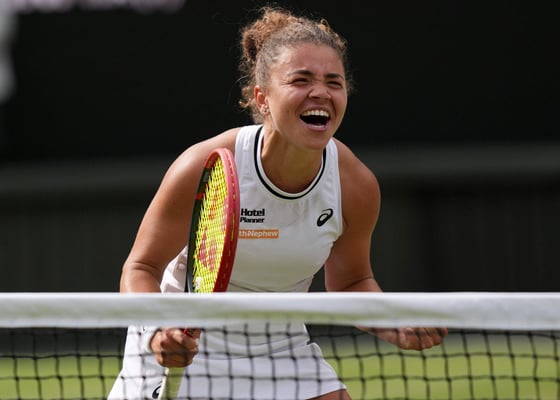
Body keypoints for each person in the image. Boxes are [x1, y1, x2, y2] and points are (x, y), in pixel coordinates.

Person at [108, 5, 447, 400]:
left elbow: (351, 281)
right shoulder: (206, 164)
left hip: (279, 344)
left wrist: (394, 324)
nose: (320, 92)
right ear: (262, 98)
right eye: (301, 80)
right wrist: (157, 333)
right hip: (185, 343)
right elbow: (141, 267)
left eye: (334, 82)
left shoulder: (354, 185)